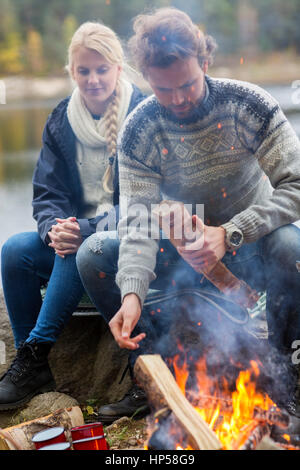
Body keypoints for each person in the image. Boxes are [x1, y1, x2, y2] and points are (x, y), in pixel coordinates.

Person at [76, 7, 300, 425]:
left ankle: (280, 376)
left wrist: (230, 232)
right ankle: (154, 377)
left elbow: (297, 186)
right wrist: (131, 293)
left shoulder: (248, 105)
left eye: (188, 84)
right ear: (145, 76)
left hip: (250, 246)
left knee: (292, 244)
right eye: (163, 90)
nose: (177, 99)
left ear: (205, 61)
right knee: (94, 253)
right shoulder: (138, 129)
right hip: (181, 254)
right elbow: (139, 225)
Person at [0, 21, 145, 410]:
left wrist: (84, 229)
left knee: (83, 247)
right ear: (71, 71)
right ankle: (33, 365)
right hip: (75, 242)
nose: (93, 79)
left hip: (127, 248)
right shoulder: (62, 118)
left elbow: (146, 205)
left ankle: (34, 353)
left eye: (101, 69)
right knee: (14, 250)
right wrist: (53, 229)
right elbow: (47, 194)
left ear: (118, 67)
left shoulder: (144, 113)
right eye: (84, 70)